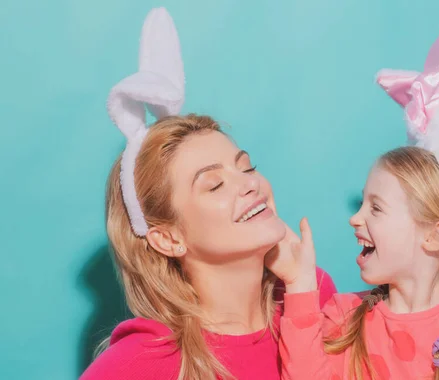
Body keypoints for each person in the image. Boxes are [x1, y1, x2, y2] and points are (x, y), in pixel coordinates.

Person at [80, 8, 336, 380]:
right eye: (214, 184)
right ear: (168, 238)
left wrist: (302, 289)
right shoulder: (137, 365)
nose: (250, 184)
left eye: (246, 166)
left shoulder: (311, 293)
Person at [277, 19, 439, 380]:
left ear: (435, 235)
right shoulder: (342, 314)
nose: (355, 218)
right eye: (362, 204)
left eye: (376, 208)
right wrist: (300, 288)